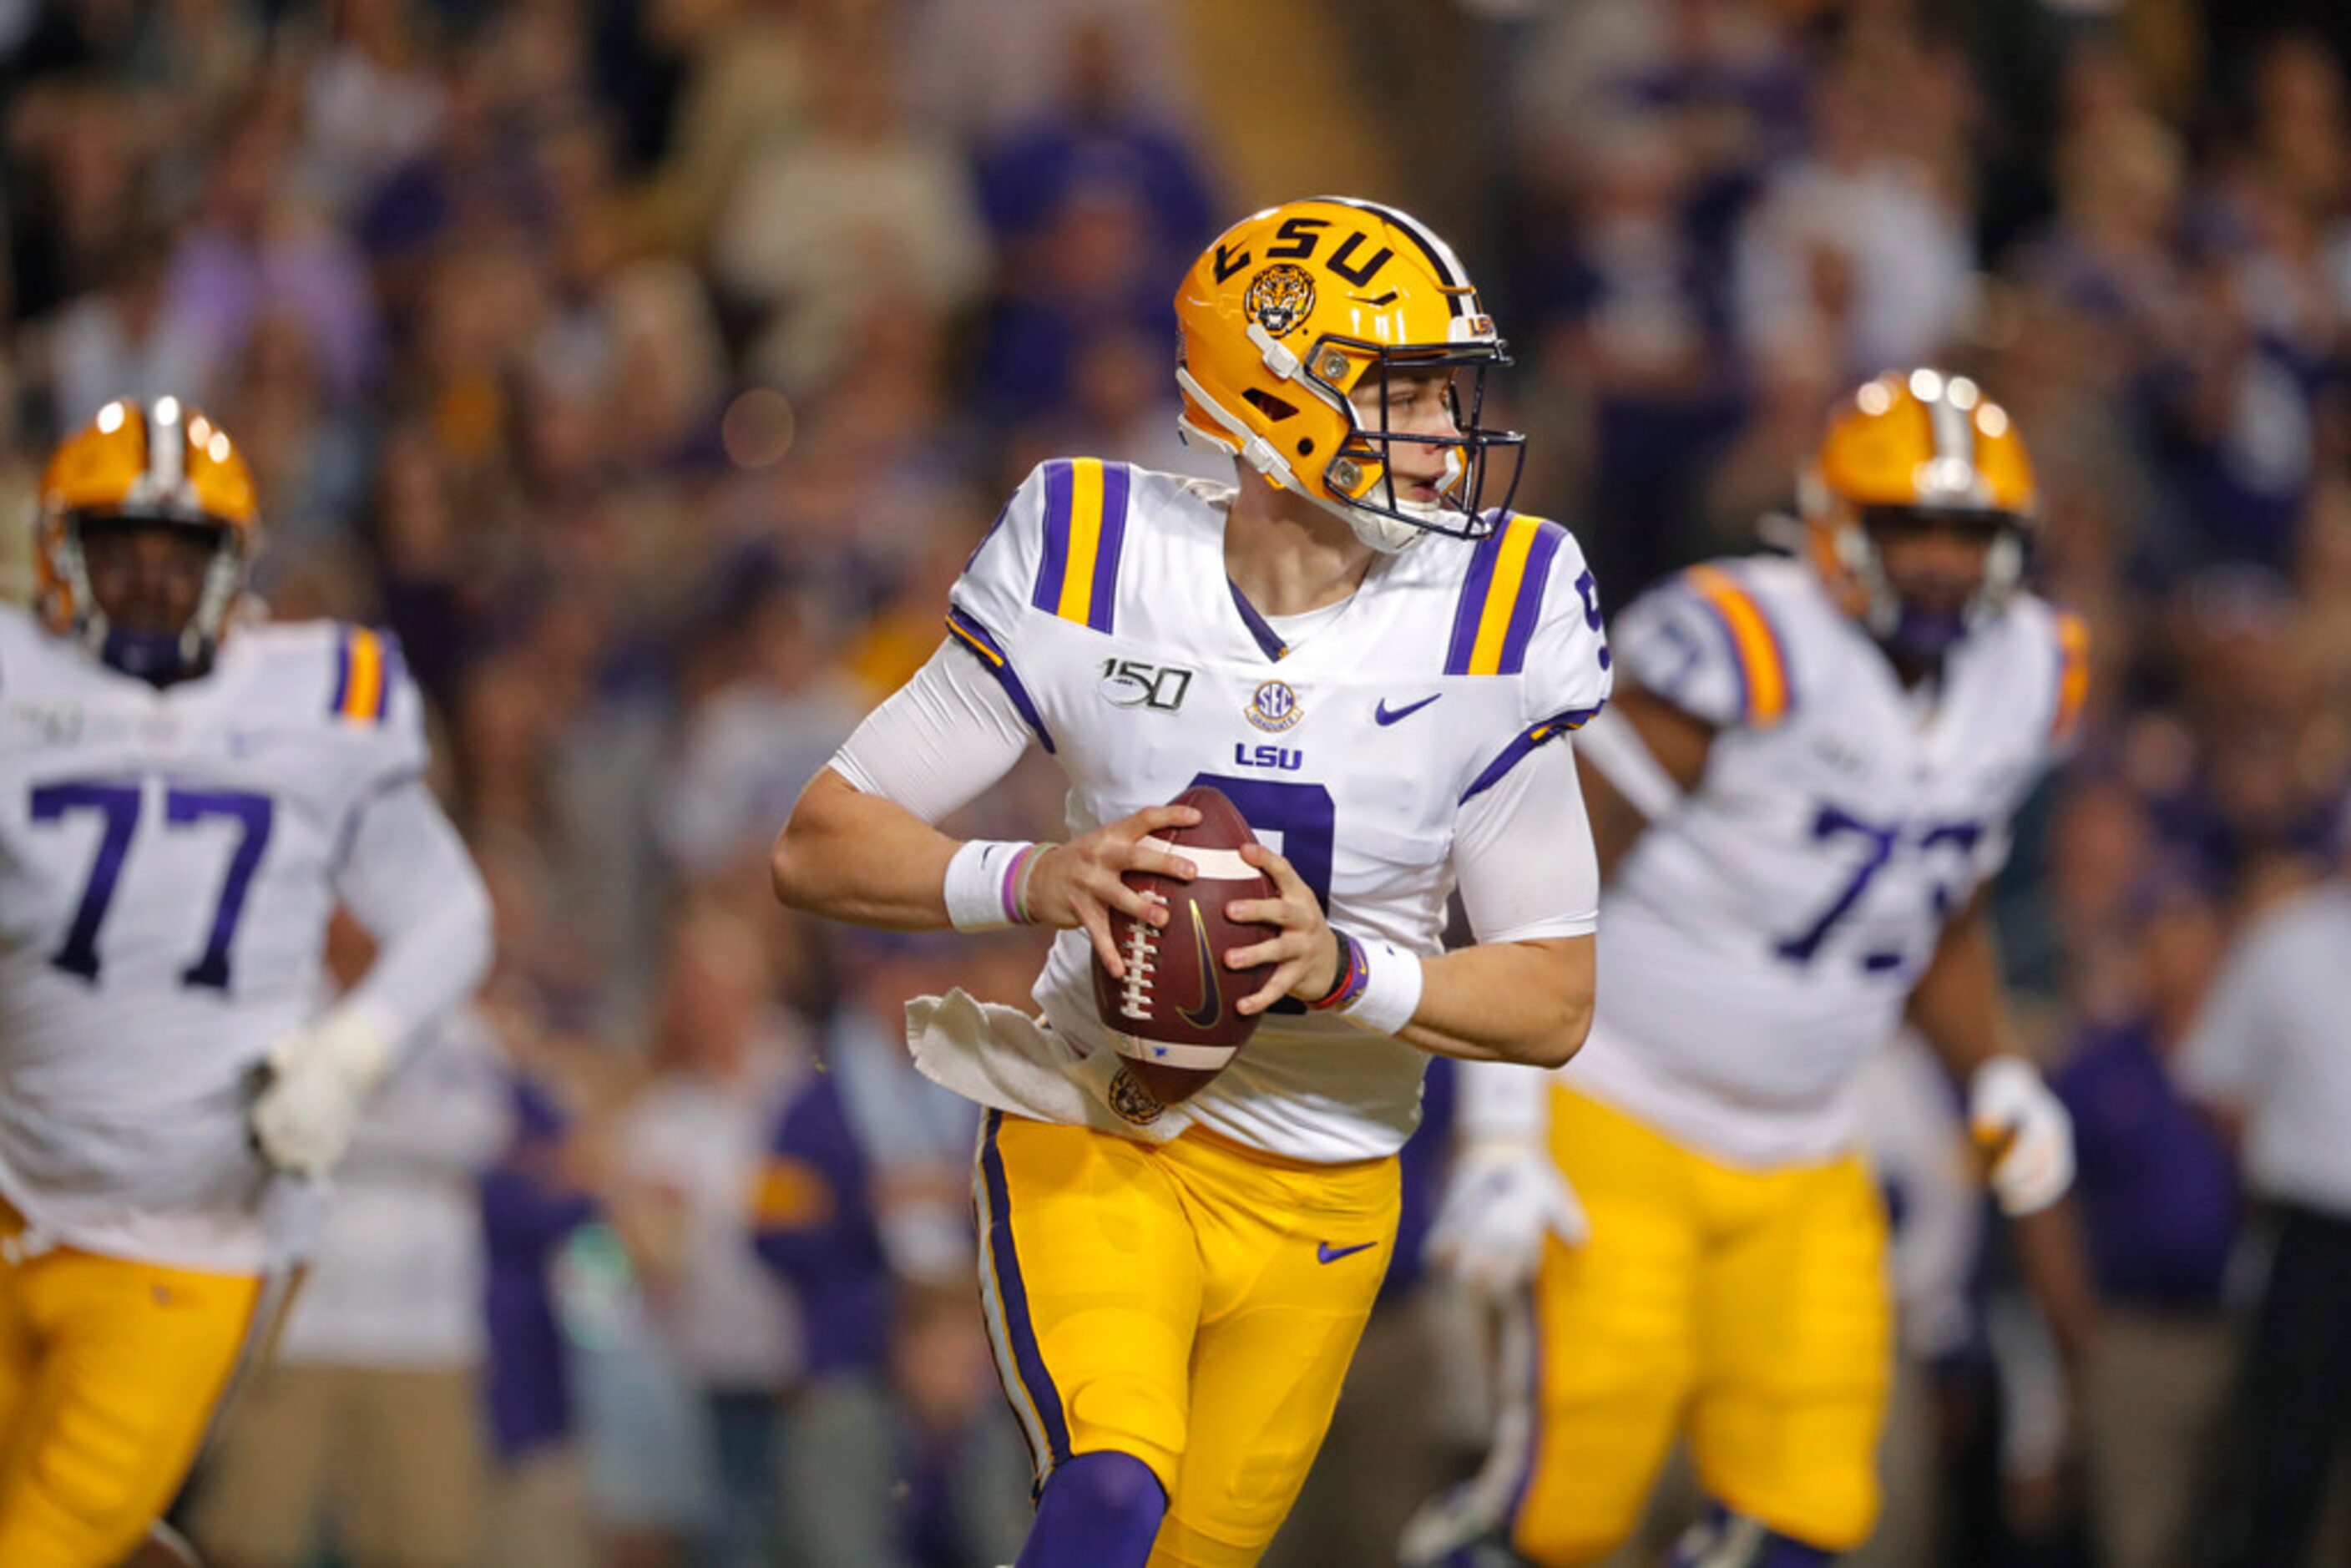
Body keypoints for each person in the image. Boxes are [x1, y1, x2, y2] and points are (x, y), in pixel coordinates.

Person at [771, 195, 1612, 1566]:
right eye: (1407, 396)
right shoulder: (1095, 552)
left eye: (1453, 397)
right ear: (1280, 403)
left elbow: (1554, 993)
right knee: (1110, 1488)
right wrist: (1036, 875)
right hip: (1098, 1122)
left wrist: (1344, 966)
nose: (1451, 439)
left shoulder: (1500, 612)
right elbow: (819, 838)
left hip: (1330, 1193)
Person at [1406, 368, 2087, 1567]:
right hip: (1618, 1106)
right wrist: (1503, 1124)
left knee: (1812, 1501)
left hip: (1812, 1142)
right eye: (1906, 526)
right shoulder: (1744, 635)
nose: (1937, 560)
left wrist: (1995, 1072)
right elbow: (1539, 875)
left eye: (1967, 531)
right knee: (1565, 1500)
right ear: (1832, 523)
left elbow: (1946, 910)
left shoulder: (2032, 669)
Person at [0, 397, 493, 1567]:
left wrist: (349, 1052)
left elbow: (449, 910)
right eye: (122, 552)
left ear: (236, 566)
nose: (153, 586)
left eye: (185, 557)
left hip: (189, 1229)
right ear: (59, 551)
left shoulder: (320, 694)